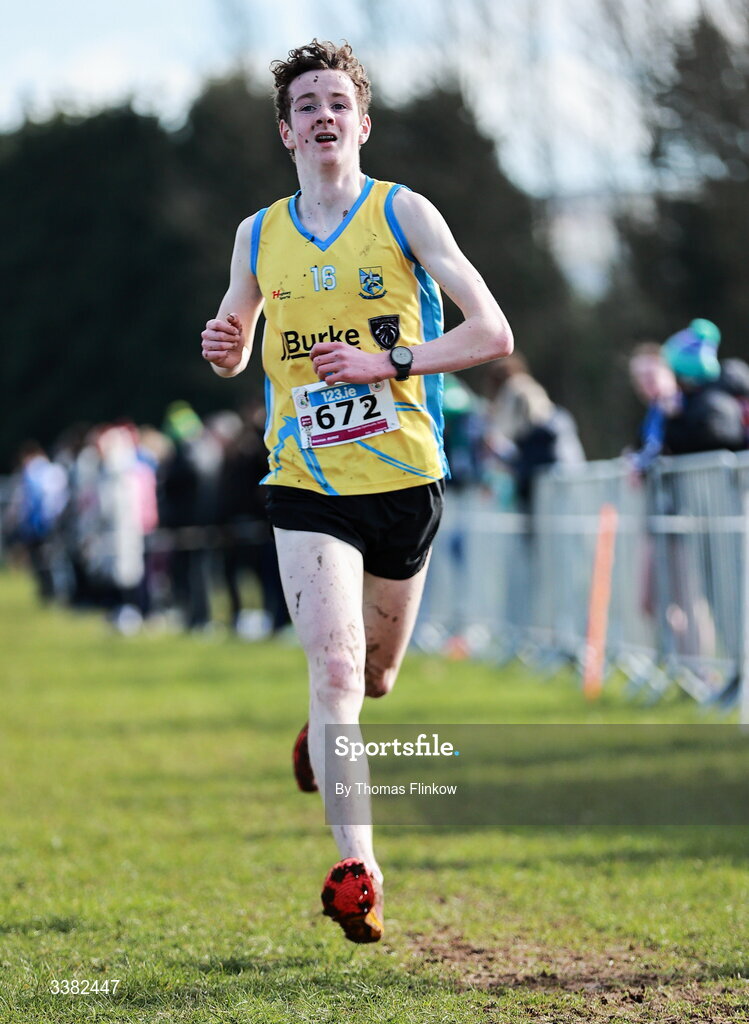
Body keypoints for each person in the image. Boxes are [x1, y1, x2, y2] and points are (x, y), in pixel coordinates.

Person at [200, 39, 512, 943]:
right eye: (306, 105)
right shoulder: (257, 235)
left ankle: (318, 736)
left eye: (338, 101)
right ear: (287, 132)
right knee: (333, 667)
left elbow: (491, 331)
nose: (323, 115)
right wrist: (224, 347)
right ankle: (358, 870)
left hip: (405, 479)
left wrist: (387, 360)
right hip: (304, 482)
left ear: (362, 124)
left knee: (374, 679)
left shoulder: (405, 213)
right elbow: (237, 333)